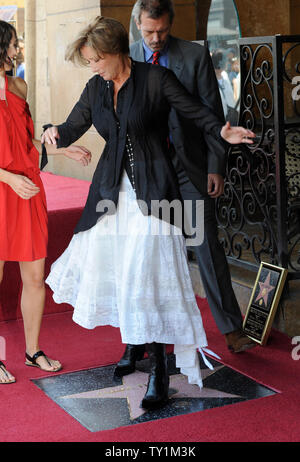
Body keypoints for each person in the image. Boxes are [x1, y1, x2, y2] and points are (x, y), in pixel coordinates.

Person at [43, 16, 255, 409]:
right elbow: (71, 126)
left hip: (156, 194)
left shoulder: (157, 80)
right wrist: (52, 131)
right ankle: (134, 345)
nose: (91, 67)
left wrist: (220, 131)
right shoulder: (96, 87)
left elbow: (194, 111)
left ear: (113, 53)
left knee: (147, 274)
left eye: (94, 60)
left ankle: (159, 367)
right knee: (126, 269)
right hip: (111, 196)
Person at [121, 0, 257, 374]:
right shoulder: (126, 57)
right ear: (137, 25)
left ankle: (231, 328)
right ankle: (148, 335)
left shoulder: (194, 56)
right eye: (149, 32)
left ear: (171, 24)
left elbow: (212, 115)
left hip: (190, 168)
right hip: (150, 172)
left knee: (206, 246)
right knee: (149, 255)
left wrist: (216, 166)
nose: (155, 39)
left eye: (162, 31)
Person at [0, 20, 91, 384]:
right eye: (10, 45)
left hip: (29, 191)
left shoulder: (19, 86)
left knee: (35, 277)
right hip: (5, 190)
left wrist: (63, 150)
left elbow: (25, 144)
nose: (16, 51)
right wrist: (7, 178)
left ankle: (33, 351)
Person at [211, 50, 236, 121]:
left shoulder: (225, 75)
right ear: (219, 61)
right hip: (217, 120)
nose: (227, 62)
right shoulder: (209, 77)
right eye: (226, 60)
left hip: (230, 117)